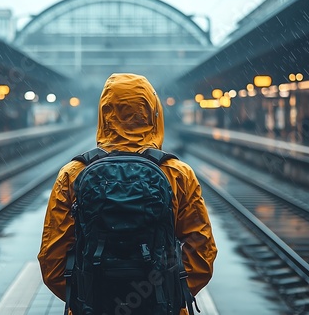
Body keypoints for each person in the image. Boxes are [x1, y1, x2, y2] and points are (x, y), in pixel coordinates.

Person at [38, 73, 217, 314]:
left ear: (104, 113)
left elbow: (52, 260)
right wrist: (166, 296)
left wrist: (90, 300)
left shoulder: (73, 174)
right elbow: (202, 251)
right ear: (154, 113)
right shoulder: (178, 174)